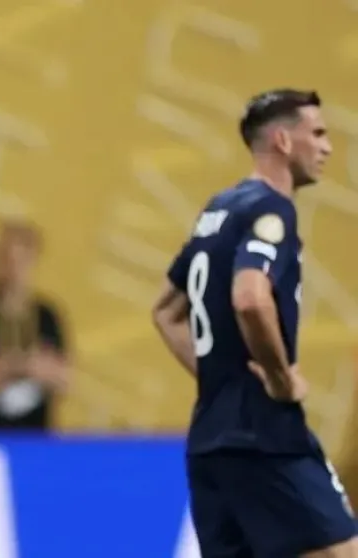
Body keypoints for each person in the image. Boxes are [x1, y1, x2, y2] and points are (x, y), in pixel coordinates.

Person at [153, 89, 357, 557]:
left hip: (210, 439)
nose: (327, 147)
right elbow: (250, 297)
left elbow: (164, 311)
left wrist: (218, 375)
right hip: (265, 434)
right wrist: (281, 377)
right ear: (283, 141)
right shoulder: (271, 209)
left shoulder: (218, 210)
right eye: (318, 134)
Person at [0, 221, 70, 431]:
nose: (13, 269)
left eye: (21, 260)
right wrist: (26, 365)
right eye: (7, 259)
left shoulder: (47, 315)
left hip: (35, 436)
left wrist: (0, 368)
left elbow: (62, 377)